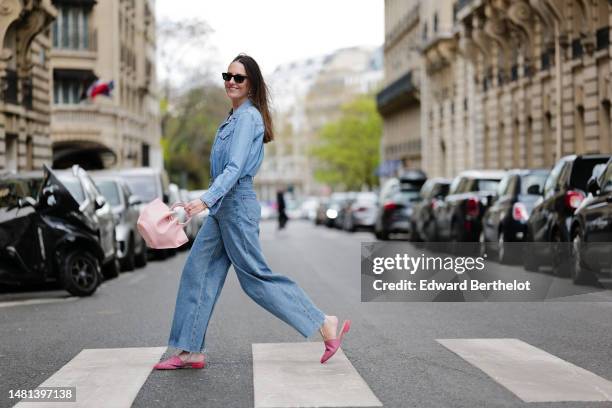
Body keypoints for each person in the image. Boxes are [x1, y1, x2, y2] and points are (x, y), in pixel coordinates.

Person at [154, 54, 350, 370]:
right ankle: (190, 349)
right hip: (223, 209)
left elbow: (234, 168)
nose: (231, 82)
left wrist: (206, 200)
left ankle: (323, 322)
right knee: (198, 271)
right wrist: (211, 202)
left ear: (251, 84)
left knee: (255, 278)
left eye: (239, 78)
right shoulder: (233, 118)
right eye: (227, 76)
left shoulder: (247, 118)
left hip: (235, 206)